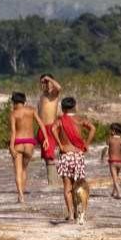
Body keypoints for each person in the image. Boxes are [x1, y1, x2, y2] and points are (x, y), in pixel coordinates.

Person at [51, 96, 95, 224]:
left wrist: (59, 144)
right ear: (74, 107)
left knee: (67, 186)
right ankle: (80, 212)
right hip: (78, 155)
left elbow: (53, 129)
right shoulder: (80, 120)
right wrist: (87, 144)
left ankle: (71, 214)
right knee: (80, 185)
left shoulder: (60, 120)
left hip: (66, 155)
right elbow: (93, 128)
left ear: (62, 108)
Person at [8, 92, 39, 204]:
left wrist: (11, 146)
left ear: (14, 103)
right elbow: (41, 124)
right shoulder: (31, 110)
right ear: (24, 101)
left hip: (18, 142)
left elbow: (13, 132)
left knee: (17, 171)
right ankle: (22, 193)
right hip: (29, 143)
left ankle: (20, 195)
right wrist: (45, 139)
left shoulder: (13, 114)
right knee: (24, 169)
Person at [36, 74, 63, 185]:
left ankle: (54, 183)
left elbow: (59, 88)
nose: (45, 84)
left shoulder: (53, 95)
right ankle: (53, 181)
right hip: (42, 128)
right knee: (46, 157)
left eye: (47, 82)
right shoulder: (42, 97)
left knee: (50, 156)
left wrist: (50, 79)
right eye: (43, 82)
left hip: (50, 128)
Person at [104, 123, 121, 199]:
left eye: (111, 130)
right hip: (120, 161)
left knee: (114, 178)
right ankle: (114, 192)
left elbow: (106, 146)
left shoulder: (110, 139)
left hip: (112, 161)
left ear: (113, 131)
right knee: (116, 177)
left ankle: (119, 192)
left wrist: (102, 158)